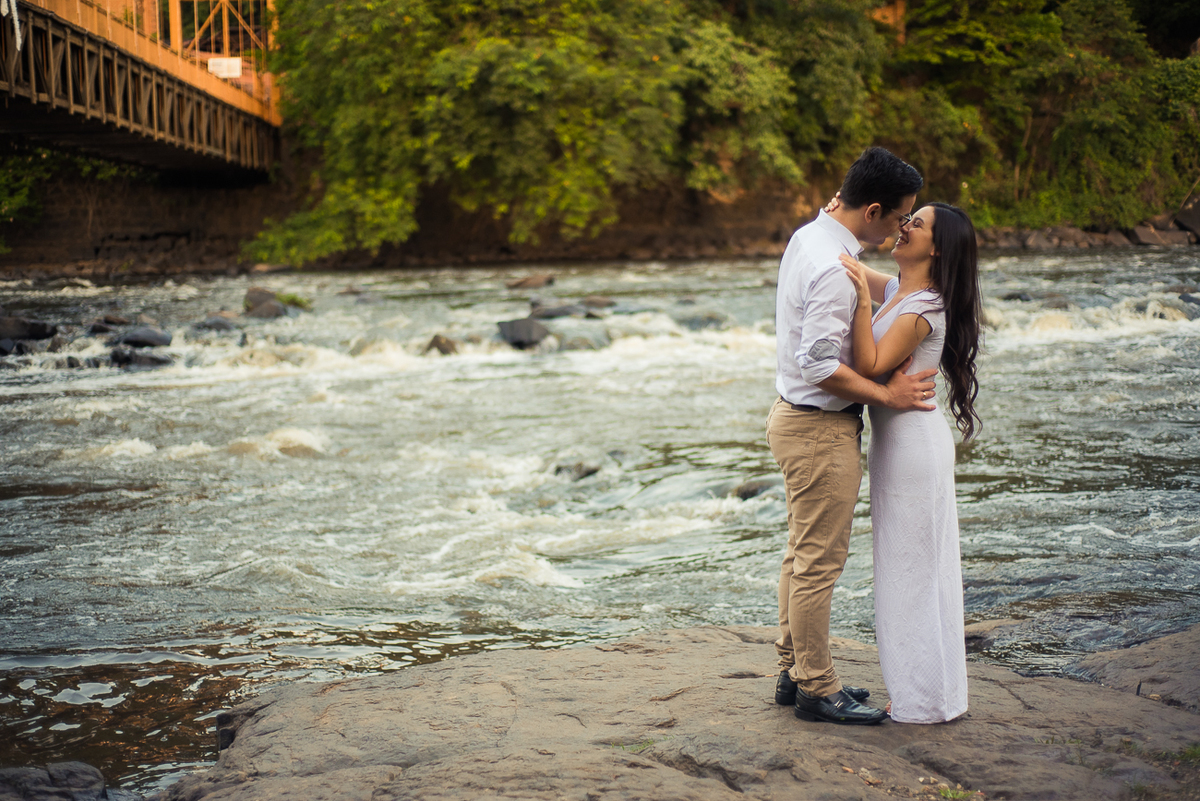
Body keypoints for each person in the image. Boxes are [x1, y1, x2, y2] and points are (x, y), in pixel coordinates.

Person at [767, 147, 937, 725]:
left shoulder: (810, 239)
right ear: (871, 209)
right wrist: (887, 396)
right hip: (819, 428)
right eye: (897, 218)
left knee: (799, 554)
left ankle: (793, 672)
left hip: (795, 420)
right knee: (818, 562)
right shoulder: (829, 267)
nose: (900, 230)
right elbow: (819, 363)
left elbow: (885, 287)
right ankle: (817, 687)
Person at [839, 202, 982, 723]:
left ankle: (923, 702)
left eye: (915, 225)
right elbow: (854, 269)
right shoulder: (900, 289)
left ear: (937, 248)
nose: (904, 228)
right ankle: (932, 693)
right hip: (899, 445)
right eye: (905, 220)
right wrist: (838, 214)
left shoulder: (925, 306)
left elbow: (872, 366)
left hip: (913, 450)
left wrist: (857, 302)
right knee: (911, 570)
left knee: (913, 574)